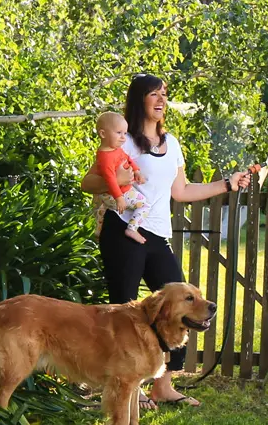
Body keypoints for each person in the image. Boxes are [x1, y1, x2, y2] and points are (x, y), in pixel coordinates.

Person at [80, 74, 252, 408]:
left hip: (158, 235)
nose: (161, 100)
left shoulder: (170, 143)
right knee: (124, 307)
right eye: (153, 94)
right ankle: (130, 388)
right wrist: (115, 179)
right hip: (123, 233)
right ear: (139, 99)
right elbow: (88, 182)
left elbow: (182, 192)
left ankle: (164, 385)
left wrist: (227, 185)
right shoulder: (123, 140)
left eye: (164, 94)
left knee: (180, 304)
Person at [90, 110, 150, 244]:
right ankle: (132, 228)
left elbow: (127, 158)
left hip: (110, 195)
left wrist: (137, 171)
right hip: (120, 193)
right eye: (119, 133)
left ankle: (98, 230)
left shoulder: (114, 149)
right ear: (103, 134)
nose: (123, 137)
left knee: (104, 207)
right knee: (144, 205)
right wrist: (119, 198)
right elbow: (110, 180)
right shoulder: (105, 158)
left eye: (124, 133)